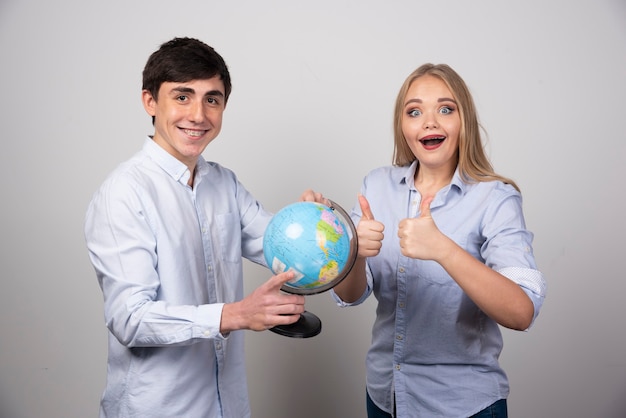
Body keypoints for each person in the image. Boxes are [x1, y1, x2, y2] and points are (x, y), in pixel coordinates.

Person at [84, 37, 321, 418]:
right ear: (150, 102)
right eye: (182, 96)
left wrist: (327, 229)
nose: (198, 114)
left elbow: (279, 246)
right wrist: (234, 315)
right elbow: (130, 318)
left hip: (227, 406)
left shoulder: (223, 183)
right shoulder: (124, 193)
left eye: (212, 99)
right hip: (159, 409)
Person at [332, 63, 547, 418]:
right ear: (403, 126)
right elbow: (351, 295)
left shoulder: (495, 198)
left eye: (445, 109)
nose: (429, 122)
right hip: (385, 398)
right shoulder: (376, 185)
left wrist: (444, 250)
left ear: (465, 121)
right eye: (414, 112)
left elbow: (521, 312)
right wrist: (355, 253)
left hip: (462, 405)